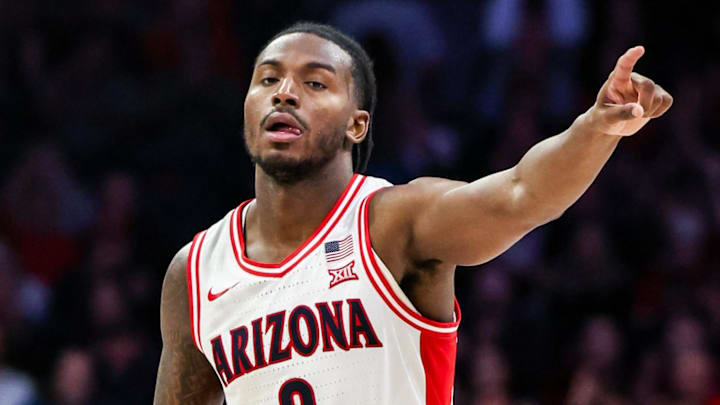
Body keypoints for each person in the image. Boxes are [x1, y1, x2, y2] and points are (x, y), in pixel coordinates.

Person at [153, 22, 673, 405]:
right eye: (267, 80)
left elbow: (522, 192)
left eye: (314, 84)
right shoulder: (196, 273)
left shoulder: (392, 224)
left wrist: (595, 128)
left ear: (357, 125)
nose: (284, 93)